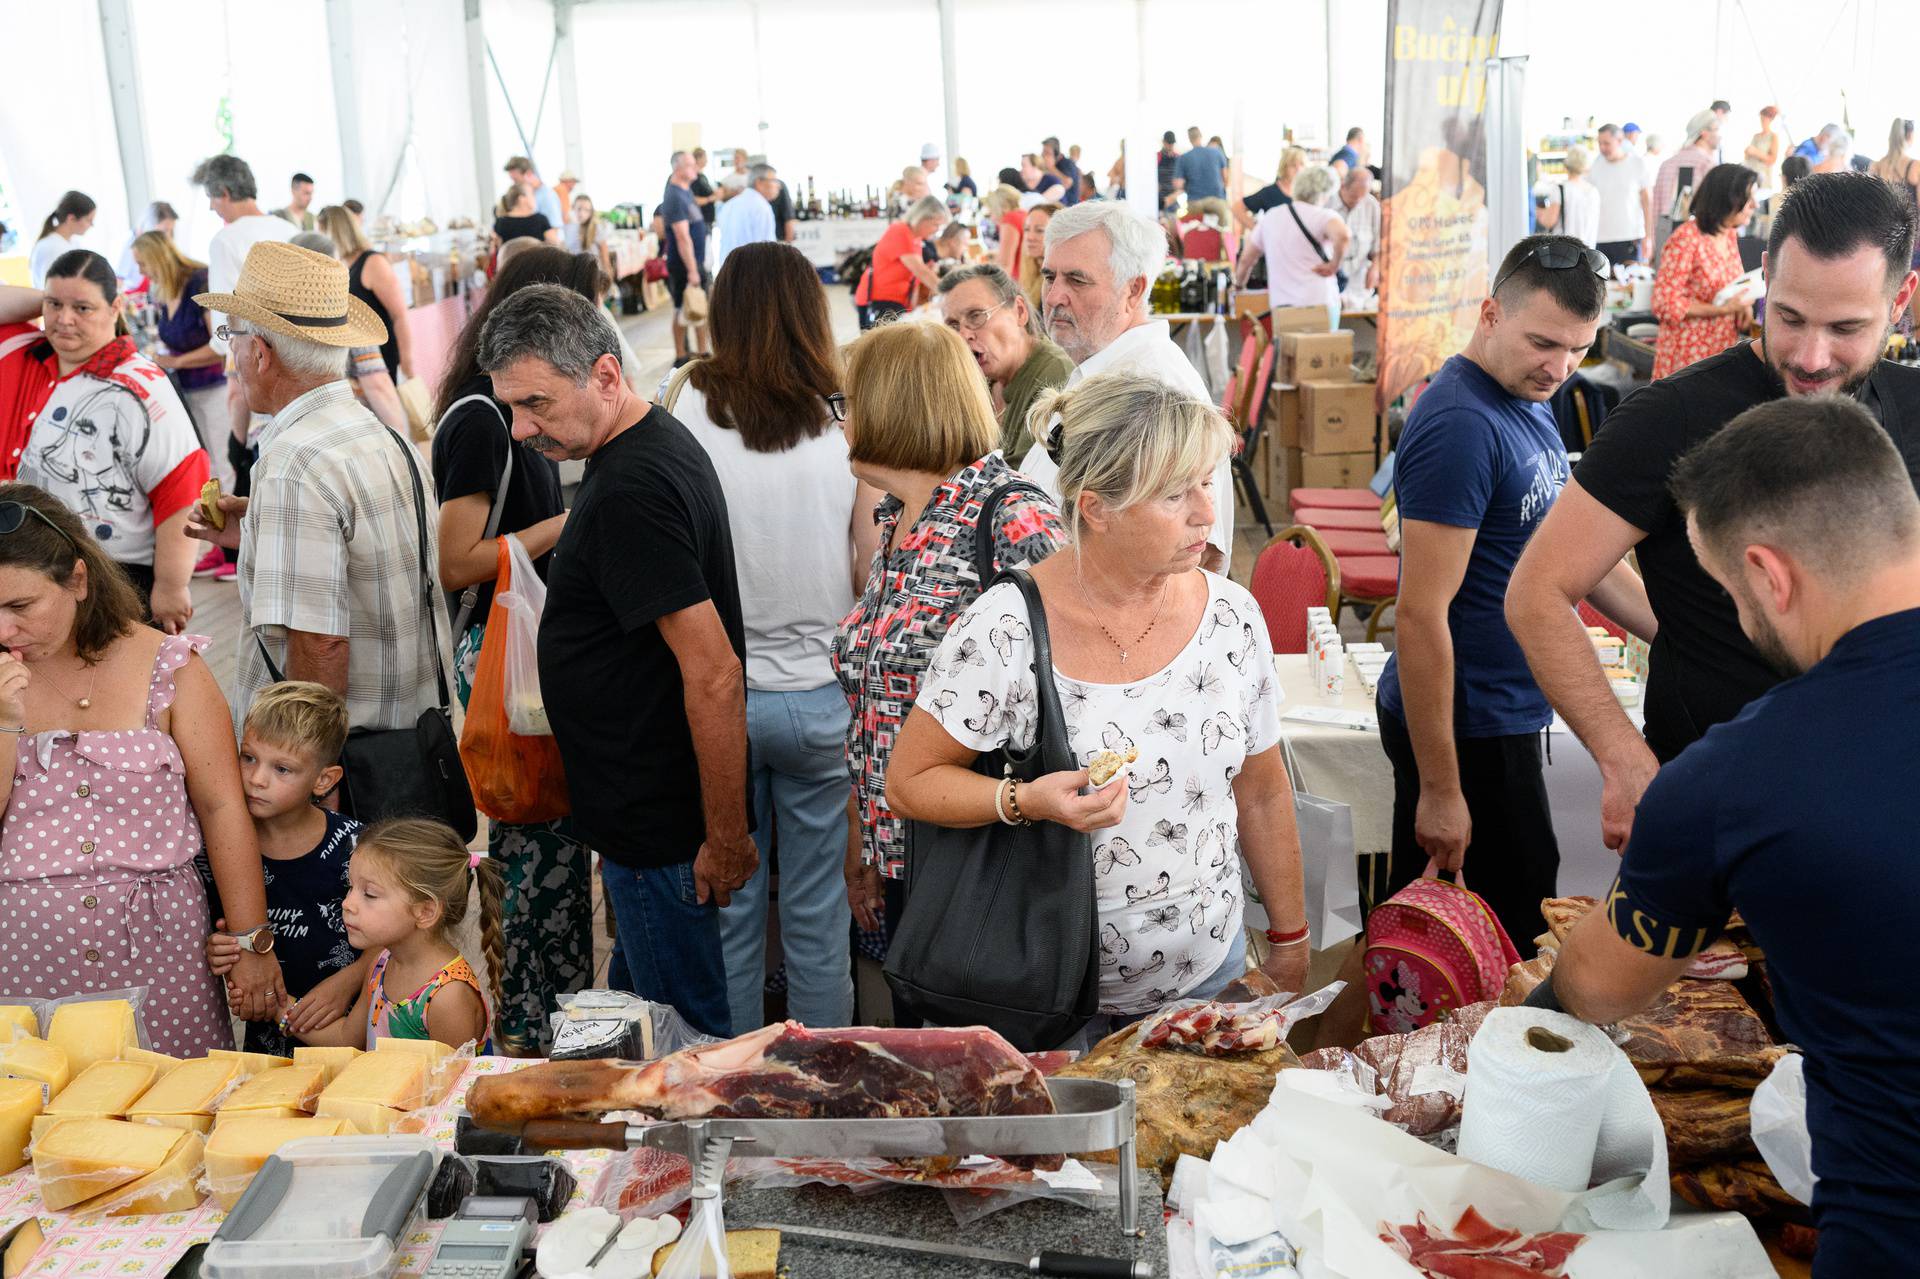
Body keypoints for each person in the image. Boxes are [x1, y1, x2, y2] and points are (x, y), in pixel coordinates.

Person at [1538, 397, 1920, 1277]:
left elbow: (1595, 987)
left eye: (1729, 592)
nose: (1741, 619)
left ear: (1769, 575)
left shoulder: (1737, 777)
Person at [1505, 171, 1920, 855]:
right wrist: (1621, 754)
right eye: (1787, 316)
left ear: (1901, 298)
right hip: (1713, 823)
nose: (1811, 357)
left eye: (1847, 328)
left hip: (1880, 819)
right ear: (1763, 275)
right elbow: (1537, 590)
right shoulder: (1670, 417)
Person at [886, 373, 1308, 1044]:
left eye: (1208, 482)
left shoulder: (1231, 616)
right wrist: (1028, 799)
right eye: (1176, 494)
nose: (1206, 513)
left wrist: (1290, 939)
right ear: (1096, 508)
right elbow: (908, 783)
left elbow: (1260, 791)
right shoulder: (1007, 626)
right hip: (1048, 1002)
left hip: (1210, 979)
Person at [479, 283, 752, 1037]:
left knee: (681, 1051)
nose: (521, 427)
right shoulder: (633, 446)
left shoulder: (631, 486)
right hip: (640, 824)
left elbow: (715, 672)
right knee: (638, 1026)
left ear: (605, 374)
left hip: (659, 831)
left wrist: (725, 835)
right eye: (509, 405)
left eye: (536, 402)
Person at [1372, 235, 1642, 949]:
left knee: (1510, 919)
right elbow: (1420, 613)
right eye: (1544, 343)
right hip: (1466, 724)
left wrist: (1673, 630)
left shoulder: (1528, 395)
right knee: (1482, 940)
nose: (1560, 368)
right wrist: (1440, 785)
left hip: (1504, 711)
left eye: (1580, 349)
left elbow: (1569, 550)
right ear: (1491, 313)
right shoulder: (1462, 422)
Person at [675, 242, 880, 1034]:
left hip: (717, 695)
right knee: (820, 911)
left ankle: (737, 1086)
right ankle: (823, 1080)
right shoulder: (843, 418)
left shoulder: (689, 406)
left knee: (729, 902)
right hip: (822, 697)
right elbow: (867, 568)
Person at [0, 483, 281, 1053]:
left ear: (77, 581)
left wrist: (253, 943)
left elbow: (223, 806)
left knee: (173, 1120)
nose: (3, 631)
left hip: (163, 958)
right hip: (24, 955)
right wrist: (6, 723)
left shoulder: (169, 665)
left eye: (21, 607)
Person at [831, 321, 1068, 974]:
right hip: (911, 854)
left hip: (985, 862)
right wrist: (866, 841)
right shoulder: (898, 516)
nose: (838, 422)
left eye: (846, 404)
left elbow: (1073, 689)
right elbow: (877, 701)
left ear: (895, 407)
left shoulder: (1010, 519)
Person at [188, 241, 446, 757]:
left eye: (231, 340)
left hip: (346, 764)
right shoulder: (380, 433)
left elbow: (319, 646)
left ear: (260, 353)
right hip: (412, 739)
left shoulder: (293, 466)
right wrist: (259, 529)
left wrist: (305, 781)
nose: (231, 359)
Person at [431, 247, 594, 1055]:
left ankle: (555, 1014)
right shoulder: (481, 418)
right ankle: (532, 1026)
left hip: (524, 644)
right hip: (505, 650)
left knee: (550, 846)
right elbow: (458, 559)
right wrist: (573, 520)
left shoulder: (491, 415)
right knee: (534, 840)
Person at [1023, 200, 1236, 573]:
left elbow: (1199, 554)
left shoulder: (1155, 388)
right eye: (1049, 277)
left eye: (1076, 280)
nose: (1055, 296)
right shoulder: (1102, 367)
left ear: (1134, 290)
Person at [10, 253, 207, 630]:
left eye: (83, 307)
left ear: (115, 307)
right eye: (54, 305)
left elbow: (180, 489)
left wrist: (172, 585)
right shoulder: (33, 357)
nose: (65, 319)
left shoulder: (140, 384)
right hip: (39, 572)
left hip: (117, 578)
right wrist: (56, 298)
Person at [204, 681, 364, 1057]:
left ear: (324, 780)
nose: (257, 779)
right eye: (248, 758)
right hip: (265, 1043)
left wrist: (347, 982)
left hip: (349, 1030)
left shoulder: (356, 847)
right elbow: (217, 934)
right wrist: (218, 951)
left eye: (282, 768)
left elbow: (395, 936)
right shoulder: (218, 851)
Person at [295, 819, 502, 1051]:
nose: (347, 904)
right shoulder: (381, 963)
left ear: (425, 911)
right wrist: (277, 1007)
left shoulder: (448, 998)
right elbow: (347, 1040)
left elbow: (449, 1085)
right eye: (350, 887)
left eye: (370, 894)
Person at [195, 152, 299, 498]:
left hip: (254, 356)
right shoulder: (290, 229)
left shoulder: (226, 240)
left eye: (212, 198)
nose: (212, 208)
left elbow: (227, 314)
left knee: (249, 466)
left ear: (224, 192)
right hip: (299, 353)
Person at [132, 230, 230, 508]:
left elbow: (220, 345)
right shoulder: (165, 290)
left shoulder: (200, 281)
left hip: (215, 389)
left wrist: (175, 362)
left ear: (157, 258)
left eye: (142, 264)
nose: (140, 271)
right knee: (204, 463)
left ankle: (228, 539)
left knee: (222, 463)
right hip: (186, 390)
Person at [938, 263, 1074, 459]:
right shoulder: (982, 379)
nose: (963, 335)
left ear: (1019, 311)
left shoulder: (1054, 376)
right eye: (953, 325)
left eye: (976, 316)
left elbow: (1025, 481)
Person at [287, 231, 411, 439]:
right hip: (343, 436)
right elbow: (378, 386)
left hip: (284, 440)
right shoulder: (344, 318)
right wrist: (404, 446)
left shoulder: (268, 318)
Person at [1651, 164, 1758, 380]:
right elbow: (1664, 303)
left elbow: (1729, 284)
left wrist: (1742, 307)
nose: (1754, 205)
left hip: (1719, 349)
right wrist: (1722, 310)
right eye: (1749, 199)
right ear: (1728, 199)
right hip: (1688, 355)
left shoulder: (1728, 235)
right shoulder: (1686, 238)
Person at [1234, 164, 1349, 324]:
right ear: (1325, 194)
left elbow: (1247, 259)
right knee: (1321, 349)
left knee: (1288, 348)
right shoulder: (1324, 216)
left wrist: (1239, 285)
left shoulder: (1271, 217)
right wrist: (1334, 265)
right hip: (1321, 303)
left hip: (1284, 306)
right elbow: (1343, 236)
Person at [317, 205, 412, 382]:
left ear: (334, 233)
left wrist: (407, 363)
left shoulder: (373, 262)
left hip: (381, 358)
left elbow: (400, 315)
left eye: (321, 234)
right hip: (357, 361)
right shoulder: (342, 265)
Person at [864, 196, 946, 329]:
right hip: (882, 301)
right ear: (922, 218)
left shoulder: (916, 237)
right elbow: (921, 271)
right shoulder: (900, 231)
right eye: (936, 224)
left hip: (899, 302)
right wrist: (948, 292)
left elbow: (916, 275)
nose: (937, 230)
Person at [1652, 111, 1721, 258]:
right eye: (1717, 129)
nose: (1720, 135)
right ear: (1704, 133)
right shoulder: (1708, 165)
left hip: (1665, 242)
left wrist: (1653, 245)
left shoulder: (1667, 164)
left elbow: (1656, 209)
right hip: (1698, 247)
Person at [662, 151, 710, 361]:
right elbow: (682, 237)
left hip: (695, 261)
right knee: (683, 309)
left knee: (700, 308)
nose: (695, 169)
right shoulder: (673, 195)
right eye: (690, 165)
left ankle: (702, 353)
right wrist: (692, 270)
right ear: (677, 168)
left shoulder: (686, 191)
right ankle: (681, 356)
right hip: (683, 264)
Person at [1590, 124, 1654, 266]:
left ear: (1619, 141)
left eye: (1606, 143)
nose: (1602, 148)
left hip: (1630, 237)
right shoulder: (1596, 166)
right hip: (1601, 238)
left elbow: (1647, 201)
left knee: (1630, 284)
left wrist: (1648, 237)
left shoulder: (1637, 164)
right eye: (1599, 143)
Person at [714, 164, 779, 271]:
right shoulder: (761, 207)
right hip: (752, 273)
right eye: (774, 181)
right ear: (759, 183)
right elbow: (767, 249)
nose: (778, 186)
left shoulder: (729, 204)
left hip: (727, 271)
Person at [30, 192, 97, 289]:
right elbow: (52, 289)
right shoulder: (51, 247)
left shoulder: (73, 242)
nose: (91, 225)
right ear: (71, 219)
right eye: (88, 220)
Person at [1236, 148, 1307, 233]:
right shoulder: (1269, 192)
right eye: (1293, 165)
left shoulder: (1307, 193)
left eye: (1302, 164)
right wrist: (1258, 231)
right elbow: (1237, 208)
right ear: (1284, 167)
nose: (1298, 169)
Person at [1336, 164, 1381, 293]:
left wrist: (1375, 268)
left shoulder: (1371, 205)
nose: (1358, 202)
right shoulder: (1327, 204)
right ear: (1343, 186)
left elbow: (1378, 245)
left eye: (1363, 197)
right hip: (1331, 281)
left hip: (1359, 283)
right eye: (1354, 197)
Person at [1551, 145, 1601, 248]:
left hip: (1564, 252)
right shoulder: (1593, 191)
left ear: (1567, 164)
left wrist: (1539, 212)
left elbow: (1550, 220)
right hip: (1588, 250)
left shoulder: (1560, 189)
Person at [1171, 136, 1230, 221]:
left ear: (1190, 139)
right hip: (1216, 202)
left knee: (1192, 230)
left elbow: (1178, 184)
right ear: (1201, 136)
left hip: (1194, 203)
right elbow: (1226, 179)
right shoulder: (1217, 152)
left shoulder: (1184, 157)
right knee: (1223, 230)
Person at [116, 202, 177, 283]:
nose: (168, 236)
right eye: (165, 230)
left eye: (171, 230)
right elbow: (119, 282)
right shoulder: (129, 245)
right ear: (149, 225)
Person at [490, 184, 559, 255]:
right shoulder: (540, 220)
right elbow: (555, 244)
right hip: (537, 263)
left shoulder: (500, 222)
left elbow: (495, 251)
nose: (535, 198)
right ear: (521, 198)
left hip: (510, 264)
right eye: (532, 194)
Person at [1017, 203, 1061, 312]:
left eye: (1040, 230)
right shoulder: (1031, 272)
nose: (1030, 237)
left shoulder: (1057, 283)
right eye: (1027, 229)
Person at [1869, 117, 1920, 211]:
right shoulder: (1915, 166)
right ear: (1910, 135)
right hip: (1910, 225)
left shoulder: (1876, 166)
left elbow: (1872, 203)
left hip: (1882, 224)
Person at [504, 156, 563, 231]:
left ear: (529, 174)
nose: (515, 185)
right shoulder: (528, 195)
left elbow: (554, 228)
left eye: (516, 180)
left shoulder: (547, 196)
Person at [569, 192, 612, 283]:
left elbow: (605, 255)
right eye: (579, 209)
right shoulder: (570, 228)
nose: (581, 213)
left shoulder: (596, 228)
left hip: (593, 274)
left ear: (591, 212)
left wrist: (608, 276)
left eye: (586, 210)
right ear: (573, 208)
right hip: (575, 273)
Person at [986, 185, 1028, 279]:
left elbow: (1005, 264)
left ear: (1000, 207)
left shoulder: (1010, 219)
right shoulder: (1023, 214)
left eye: (992, 211)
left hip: (1017, 281)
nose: (992, 217)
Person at [1742, 106, 1782, 191]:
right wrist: (1747, 152)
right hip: (1750, 175)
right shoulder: (1756, 136)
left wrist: (1756, 153)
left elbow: (1772, 160)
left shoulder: (1773, 137)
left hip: (1763, 179)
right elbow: (1746, 156)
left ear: (1771, 119)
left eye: (1764, 119)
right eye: (1761, 119)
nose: (1762, 121)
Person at [1041, 137, 1082, 208]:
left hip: (1068, 207)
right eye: (1043, 152)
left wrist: (1051, 168)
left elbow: (1067, 183)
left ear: (1056, 153)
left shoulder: (1067, 163)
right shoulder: (1050, 166)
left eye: (1047, 152)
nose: (1043, 155)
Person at [690, 148, 719, 231]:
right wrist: (710, 199)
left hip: (708, 221)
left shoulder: (702, 177)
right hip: (701, 221)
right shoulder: (694, 178)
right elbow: (693, 200)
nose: (707, 160)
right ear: (698, 159)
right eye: (705, 157)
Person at [1156, 132, 1181, 209]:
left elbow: (1182, 181)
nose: (1170, 145)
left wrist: (1174, 196)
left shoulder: (1178, 158)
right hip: (1158, 199)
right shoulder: (1157, 157)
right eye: (1168, 143)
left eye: (1172, 143)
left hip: (1173, 199)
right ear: (1163, 142)